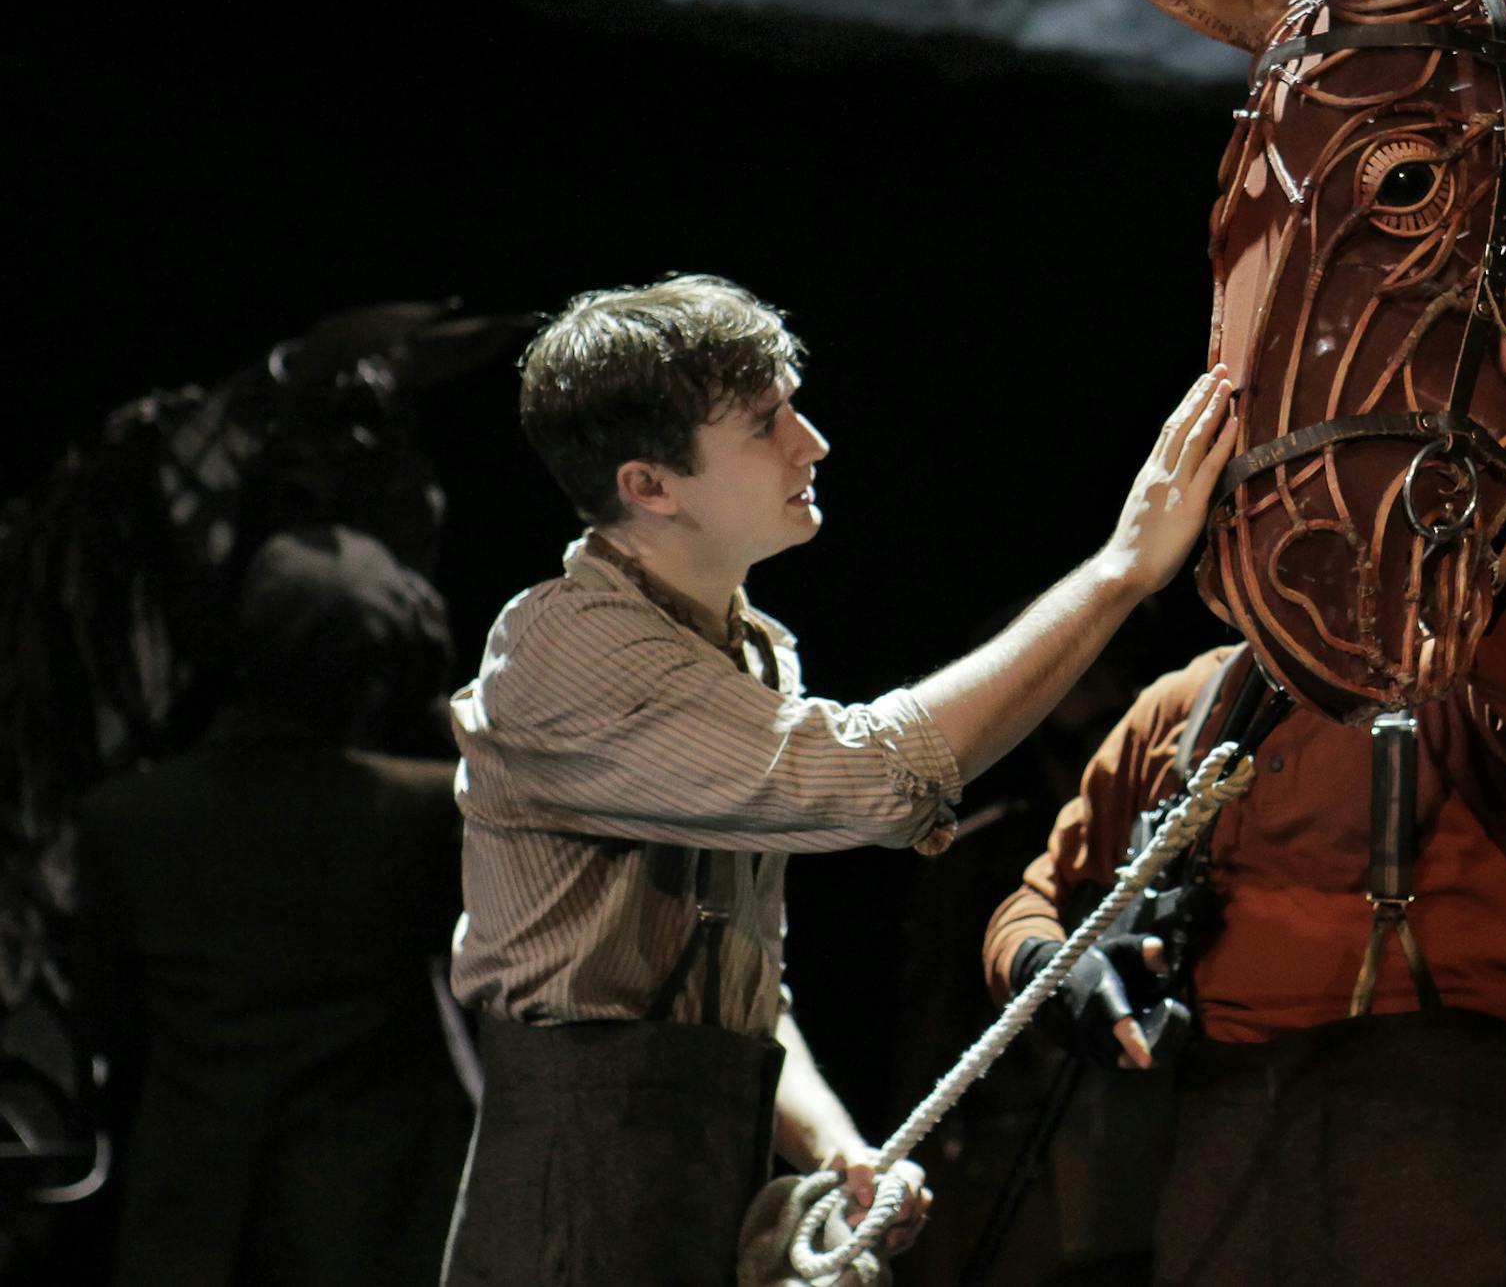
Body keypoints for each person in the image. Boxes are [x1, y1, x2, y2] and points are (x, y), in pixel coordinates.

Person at [439, 273, 1234, 1286]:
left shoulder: (745, 653)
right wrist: (1122, 568)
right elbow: (878, 777)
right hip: (575, 1198)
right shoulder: (568, 646)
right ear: (650, 485)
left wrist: (835, 1149)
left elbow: (735, 989)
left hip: (692, 1173)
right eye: (766, 422)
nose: (810, 442)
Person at [983, 574, 1506, 1286]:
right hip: (1223, 1173)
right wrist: (1049, 970)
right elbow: (1032, 903)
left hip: (1433, 1168)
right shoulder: (1180, 707)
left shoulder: (1455, 677)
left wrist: (1460, 569)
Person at [76, 525, 472, 1287]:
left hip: (192, 1225)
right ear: (376, 673)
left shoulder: (125, 818)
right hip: (378, 1224)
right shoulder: (431, 813)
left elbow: (106, 1022)